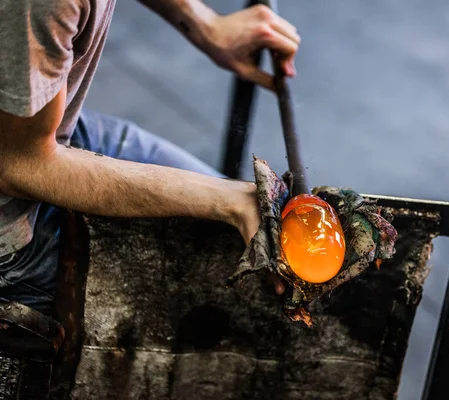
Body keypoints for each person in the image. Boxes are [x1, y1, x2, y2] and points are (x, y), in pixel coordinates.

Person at [0, 0, 298, 316]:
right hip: (15, 219)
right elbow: (19, 165)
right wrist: (228, 200)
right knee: (243, 305)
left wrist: (203, 22)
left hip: (53, 127)